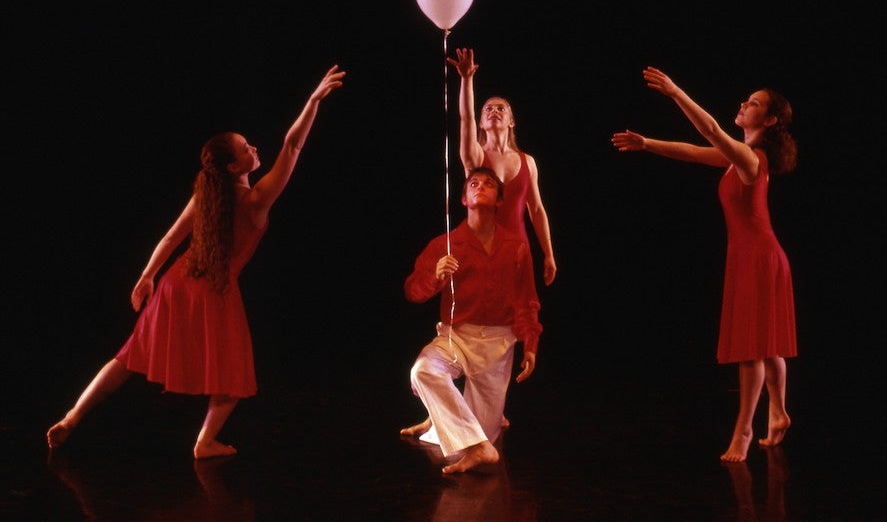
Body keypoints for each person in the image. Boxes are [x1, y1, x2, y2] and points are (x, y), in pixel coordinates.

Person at [46, 64, 346, 459]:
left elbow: (172, 237)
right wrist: (312, 101)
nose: (254, 148)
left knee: (127, 358)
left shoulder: (207, 194)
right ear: (235, 167)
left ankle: (72, 416)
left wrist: (147, 276)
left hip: (176, 282)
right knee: (235, 378)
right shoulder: (257, 200)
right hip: (216, 290)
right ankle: (204, 442)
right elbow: (292, 146)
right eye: (246, 149)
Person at [611, 66, 797, 463]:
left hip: (760, 260)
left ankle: (744, 430)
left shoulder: (750, 158)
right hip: (756, 259)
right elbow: (694, 151)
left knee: (754, 349)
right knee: (769, 345)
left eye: (755, 103)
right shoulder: (741, 157)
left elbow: (710, 130)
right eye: (746, 100)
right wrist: (648, 144)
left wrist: (676, 91)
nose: (744, 105)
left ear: (769, 119)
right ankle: (778, 412)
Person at [401, 167, 543, 474]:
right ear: (464, 198)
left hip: (497, 344)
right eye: (473, 184)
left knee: (477, 432)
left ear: (499, 201)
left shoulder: (516, 247)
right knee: (422, 371)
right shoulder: (444, 244)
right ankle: (474, 442)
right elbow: (412, 291)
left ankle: (443, 417)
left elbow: (527, 302)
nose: (480, 187)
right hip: (456, 338)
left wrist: (530, 344)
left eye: (489, 184)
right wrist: (434, 277)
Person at [448, 47, 557, 287]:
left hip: (518, 253)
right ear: (482, 123)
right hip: (480, 249)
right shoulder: (475, 156)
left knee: (517, 319)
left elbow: (537, 210)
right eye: (488, 109)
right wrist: (467, 80)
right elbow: (465, 118)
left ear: (511, 121)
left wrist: (548, 253)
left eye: (501, 108)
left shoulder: (528, 162)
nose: (494, 111)